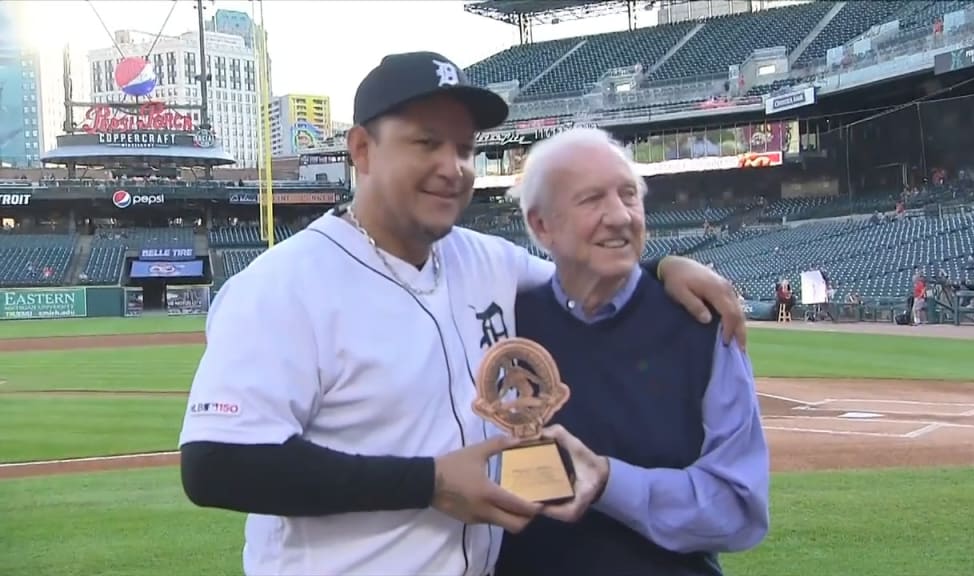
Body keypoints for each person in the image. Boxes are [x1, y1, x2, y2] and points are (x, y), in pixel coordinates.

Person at [177, 51, 748, 576]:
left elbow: (584, 281)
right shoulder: (281, 286)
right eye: (426, 142)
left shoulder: (486, 259)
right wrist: (428, 483)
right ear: (361, 150)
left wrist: (664, 267)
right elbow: (216, 465)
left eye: (465, 148)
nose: (453, 167)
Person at [496, 128, 769, 576]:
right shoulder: (505, 324)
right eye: (591, 199)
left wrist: (607, 481)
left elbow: (739, 508)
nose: (620, 216)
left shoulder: (699, 322)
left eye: (629, 195)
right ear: (542, 225)